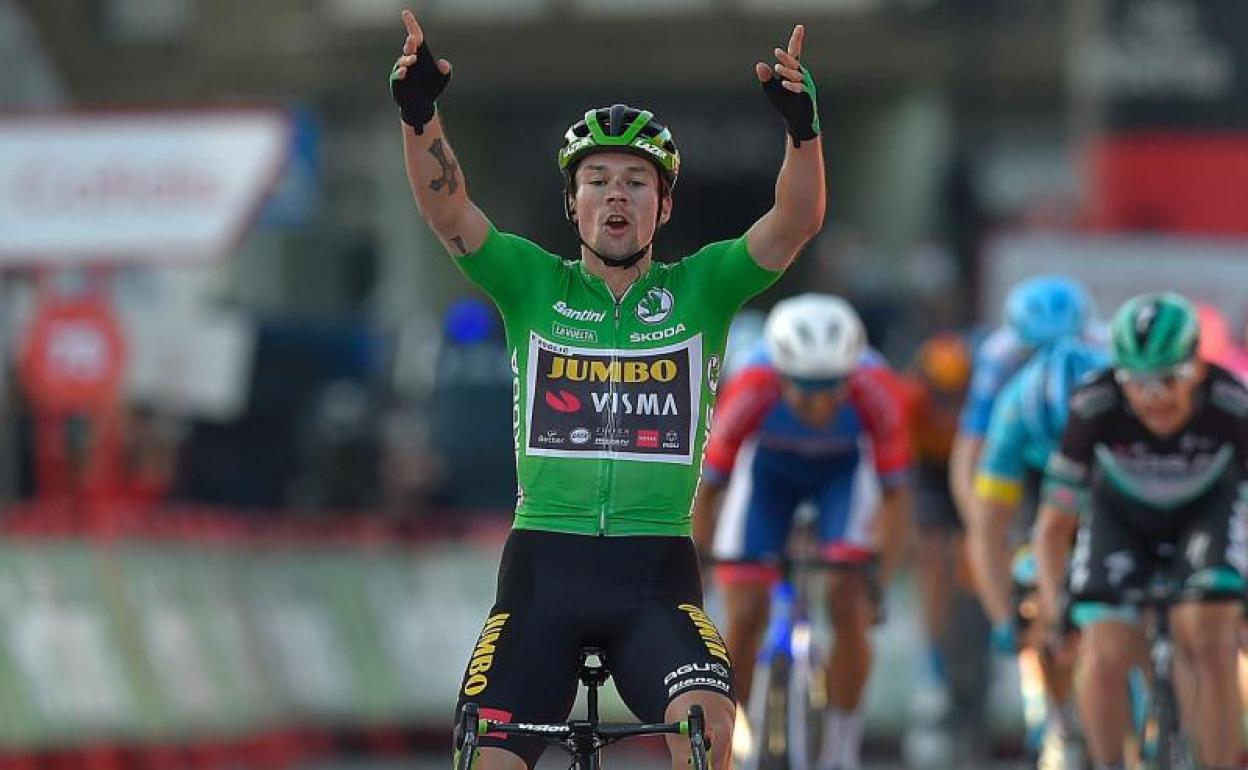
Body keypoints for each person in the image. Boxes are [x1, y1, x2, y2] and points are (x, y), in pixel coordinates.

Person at [389, 9, 826, 770]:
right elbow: (446, 209)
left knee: (708, 732)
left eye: (635, 182)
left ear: (664, 205)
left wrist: (802, 131)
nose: (615, 196)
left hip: (656, 578)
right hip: (540, 575)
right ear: (573, 202)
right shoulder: (530, 283)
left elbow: (796, 220)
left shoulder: (703, 289)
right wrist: (421, 115)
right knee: (482, 757)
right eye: (596, 181)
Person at [691, 294, 912, 770]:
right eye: (807, 388)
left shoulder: (878, 388)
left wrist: (877, 579)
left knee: (848, 603)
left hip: (842, 477)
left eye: (833, 386)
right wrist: (700, 565)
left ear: (852, 373)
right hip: (768, 478)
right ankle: (732, 739)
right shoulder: (751, 385)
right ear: (779, 373)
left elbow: (895, 495)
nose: (821, 402)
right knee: (744, 612)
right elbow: (710, 488)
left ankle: (840, 748)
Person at [1034, 293, 1248, 770]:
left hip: (1205, 514)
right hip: (1121, 519)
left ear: (1197, 368)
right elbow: (1053, 526)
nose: (1155, 398)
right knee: (1102, 643)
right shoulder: (1095, 404)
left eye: (1168, 379)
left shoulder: (1232, 404)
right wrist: (1056, 609)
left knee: (1213, 638)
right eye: (1138, 382)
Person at [966, 337, 1108, 770]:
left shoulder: (1117, 403)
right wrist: (1004, 616)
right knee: (1039, 592)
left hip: (1111, 493)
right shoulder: (1013, 412)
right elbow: (987, 526)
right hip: (1042, 499)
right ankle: (1061, 719)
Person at [897, 332, 980, 755]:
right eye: (941, 395)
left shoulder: (978, 400)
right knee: (931, 557)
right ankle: (932, 666)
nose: (949, 405)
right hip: (928, 474)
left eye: (956, 395)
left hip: (966, 468)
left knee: (972, 558)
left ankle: (973, 631)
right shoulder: (910, 401)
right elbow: (901, 475)